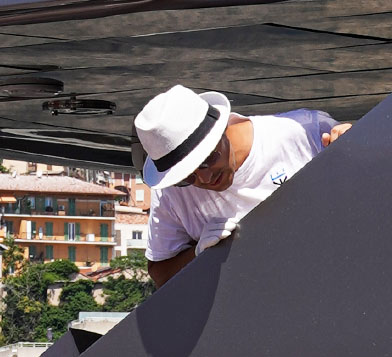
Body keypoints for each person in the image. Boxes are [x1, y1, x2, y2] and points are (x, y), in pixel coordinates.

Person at [134, 84, 350, 288]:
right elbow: (160, 272)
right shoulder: (170, 193)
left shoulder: (304, 133)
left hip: (338, 272)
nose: (206, 178)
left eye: (208, 159)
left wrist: (357, 145)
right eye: (187, 177)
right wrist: (198, 254)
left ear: (223, 130)